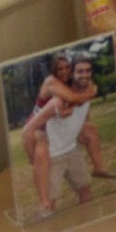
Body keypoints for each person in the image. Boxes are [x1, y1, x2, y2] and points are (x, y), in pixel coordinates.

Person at [23, 57, 102, 215]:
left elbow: (75, 105)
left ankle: (99, 167)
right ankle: (45, 202)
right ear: (54, 71)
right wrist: (92, 93)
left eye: (67, 68)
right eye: (60, 69)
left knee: (90, 129)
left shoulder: (68, 84)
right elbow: (73, 99)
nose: (64, 71)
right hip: (39, 128)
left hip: (54, 130)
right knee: (41, 155)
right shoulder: (51, 81)